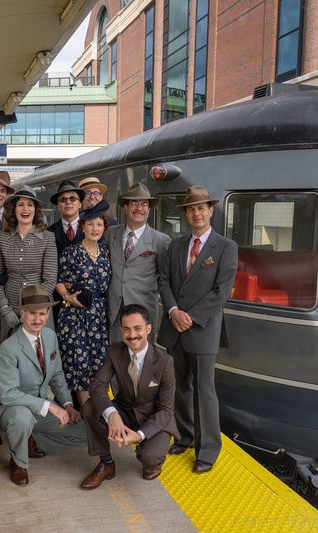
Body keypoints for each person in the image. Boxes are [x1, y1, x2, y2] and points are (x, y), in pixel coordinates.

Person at [159, 185, 238, 474]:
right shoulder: (176, 245)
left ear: (210, 211)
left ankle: (207, 451)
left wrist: (189, 317)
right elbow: (164, 282)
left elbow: (221, 291)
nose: (196, 213)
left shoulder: (226, 247)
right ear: (186, 214)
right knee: (180, 386)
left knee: (204, 391)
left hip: (203, 329)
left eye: (201, 207)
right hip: (175, 326)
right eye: (191, 209)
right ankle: (186, 436)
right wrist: (173, 312)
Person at [0, 285, 86, 486]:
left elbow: (57, 375)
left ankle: (33, 440)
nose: (38, 319)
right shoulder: (8, 348)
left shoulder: (50, 336)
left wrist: (68, 405)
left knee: (87, 435)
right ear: (22, 313)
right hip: (13, 409)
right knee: (22, 418)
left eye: (42, 314)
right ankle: (18, 462)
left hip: (41, 409)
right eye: (32, 314)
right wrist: (51, 406)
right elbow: (9, 394)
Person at [80, 304, 178, 489]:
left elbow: (166, 410)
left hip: (153, 417)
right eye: (127, 329)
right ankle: (107, 464)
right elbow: (97, 385)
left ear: (148, 328)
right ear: (121, 331)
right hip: (124, 410)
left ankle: (149, 456)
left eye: (137, 328)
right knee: (90, 407)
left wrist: (139, 436)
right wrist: (112, 415)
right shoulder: (114, 351)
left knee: (150, 459)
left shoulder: (165, 362)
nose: (132, 335)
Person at [55, 204, 111, 406]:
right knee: (79, 365)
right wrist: (66, 296)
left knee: (98, 363)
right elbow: (58, 279)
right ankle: (88, 416)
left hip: (99, 315)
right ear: (83, 228)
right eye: (90, 224)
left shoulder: (106, 252)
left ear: (104, 228)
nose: (95, 228)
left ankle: (97, 412)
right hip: (74, 315)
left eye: (99, 224)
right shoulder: (71, 252)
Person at [0, 185, 57, 343]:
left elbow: (50, 279)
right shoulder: (2, 238)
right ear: (14, 210)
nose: (25, 209)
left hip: (39, 314)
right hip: (10, 312)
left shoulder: (48, 238)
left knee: (40, 359)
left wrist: (32, 311)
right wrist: (5, 309)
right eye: (20, 204)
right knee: (11, 359)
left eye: (30, 204)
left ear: (36, 210)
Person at [104, 183, 170, 342]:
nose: (139, 208)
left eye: (144, 204)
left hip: (143, 313)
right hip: (113, 312)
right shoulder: (110, 233)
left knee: (142, 361)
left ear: (149, 209)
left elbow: (164, 279)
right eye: (134, 203)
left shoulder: (161, 240)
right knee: (115, 358)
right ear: (125, 207)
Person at [47, 180, 85, 258]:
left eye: (73, 198)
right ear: (57, 206)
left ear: (80, 204)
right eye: (63, 199)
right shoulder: (49, 233)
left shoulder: (91, 229)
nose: (68, 202)